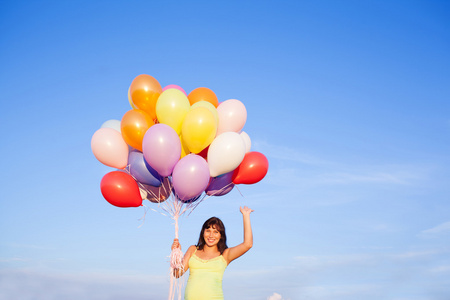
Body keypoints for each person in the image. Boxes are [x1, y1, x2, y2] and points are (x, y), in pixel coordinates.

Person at [171, 206, 254, 300]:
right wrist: (176, 254)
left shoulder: (225, 254)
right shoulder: (193, 249)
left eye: (216, 232)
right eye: (208, 231)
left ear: (221, 235)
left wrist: (246, 215)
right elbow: (177, 274)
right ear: (203, 233)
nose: (211, 235)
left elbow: (248, 244)